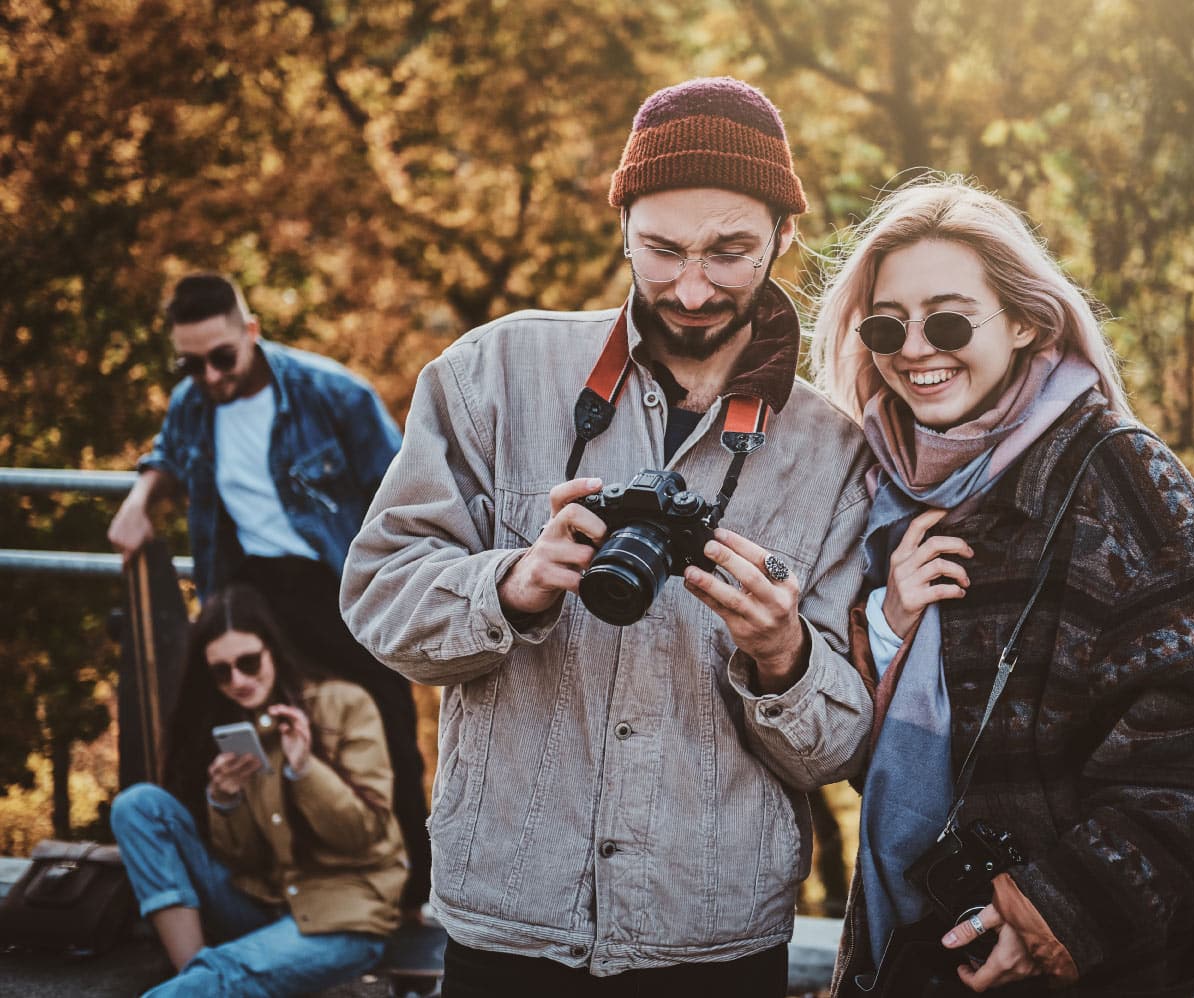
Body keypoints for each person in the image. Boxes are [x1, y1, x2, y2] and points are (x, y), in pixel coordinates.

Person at [339, 77, 873, 997]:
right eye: (661, 250)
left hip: (714, 935)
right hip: (507, 914)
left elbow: (838, 750)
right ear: (620, 222)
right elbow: (378, 599)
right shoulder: (492, 373)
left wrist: (785, 655)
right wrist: (512, 584)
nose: (693, 286)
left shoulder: (835, 453)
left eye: (731, 251)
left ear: (786, 235)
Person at [809, 175, 1194, 996]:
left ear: (1027, 321)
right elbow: (857, 755)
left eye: (949, 319)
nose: (915, 347)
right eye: (888, 324)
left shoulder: (1119, 476)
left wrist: (1055, 912)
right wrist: (888, 619)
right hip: (929, 939)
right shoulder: (885, 493)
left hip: (1113, 957)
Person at [106, 272, 431, 910]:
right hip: (246, 587)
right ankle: (258, 883)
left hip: (337, 584)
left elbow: (408, 485)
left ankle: (411, 889)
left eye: (222, 357)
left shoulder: (331, 393)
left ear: (250, 333)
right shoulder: (193, 401)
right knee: (227, 718)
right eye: (190, 363)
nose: (210, 375)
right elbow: (167, 453)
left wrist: (401, 583)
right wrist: (141, 497)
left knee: (385, 720)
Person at [110, 584, 407, 996]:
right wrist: (224, 802)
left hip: (345, 918)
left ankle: (200, 984)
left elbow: (364, 835)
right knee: (138, 805)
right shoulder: (236, 726)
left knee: (222, 976)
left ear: (272, 651)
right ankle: (194, 979)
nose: (238, 680)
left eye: (249, 662)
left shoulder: (345, 704)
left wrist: (305, 769)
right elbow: (242, 859)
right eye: (222, 671)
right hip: (264, 904)